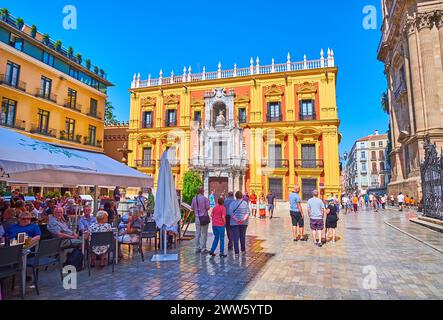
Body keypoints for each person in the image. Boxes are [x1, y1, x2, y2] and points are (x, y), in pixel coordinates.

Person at [229, 191, 250, 256]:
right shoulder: (245, 203)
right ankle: (243, 251)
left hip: (234, 223)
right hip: (244, 223)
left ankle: (236, 253)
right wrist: (243, 219)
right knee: (242, 236)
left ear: (235, 196)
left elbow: (231, 213)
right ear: (242, 196)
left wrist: (237, 220)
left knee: (235, 238)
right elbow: (248, 212)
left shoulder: (232, 203)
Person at [191, 187, 210, 253]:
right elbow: (208, 208)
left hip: (197, 217)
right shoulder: (205, 199)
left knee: (197, 233)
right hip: (204, 217)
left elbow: (192, 207)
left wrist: (197, 211)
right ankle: (203, 248)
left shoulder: (194, 198)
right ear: (203, 191)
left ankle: (196, 248)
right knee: (204, 233)